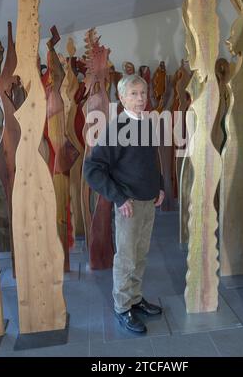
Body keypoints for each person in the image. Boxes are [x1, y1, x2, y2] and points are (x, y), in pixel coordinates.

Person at [83, 74, 165, 333]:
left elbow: (151, 161)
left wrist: (159, 187)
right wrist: (118, 197)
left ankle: (135, 299)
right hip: (128, 205)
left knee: (140, 256)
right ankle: (122, 307)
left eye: (143, 93)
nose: (141, 98)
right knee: (127, 259)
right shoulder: (116, 128)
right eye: (134, 94)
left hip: (148, 202)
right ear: (121, 98)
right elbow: (93, 169)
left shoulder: (147, 123)